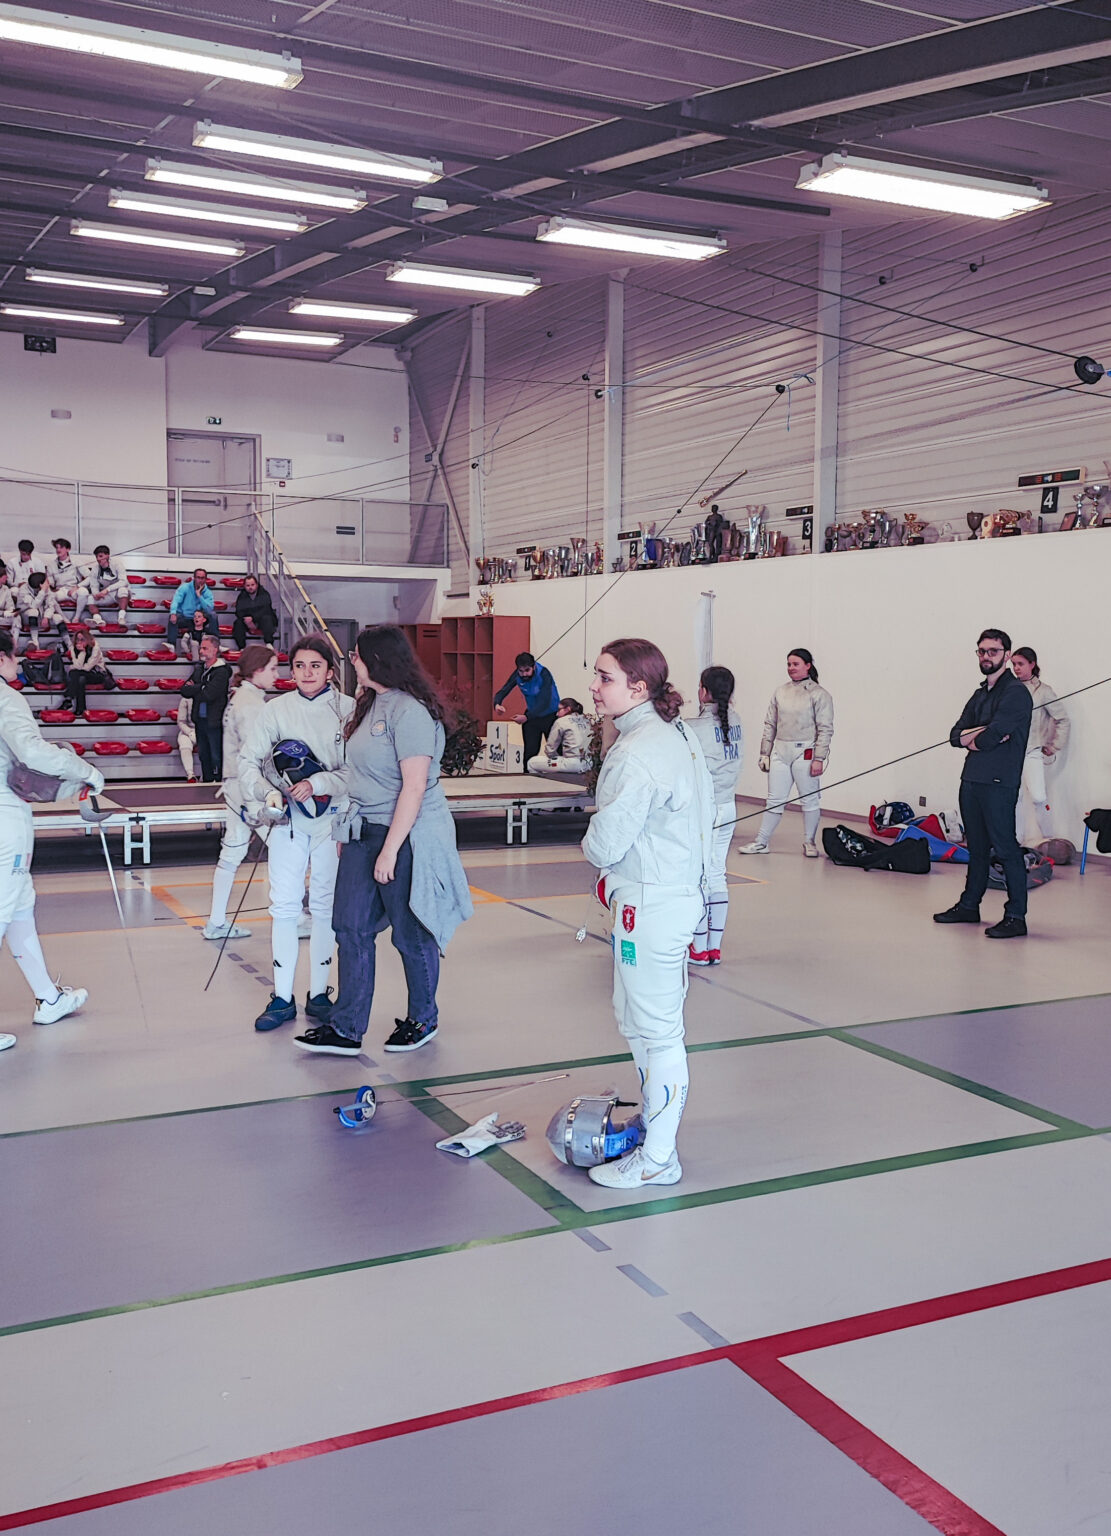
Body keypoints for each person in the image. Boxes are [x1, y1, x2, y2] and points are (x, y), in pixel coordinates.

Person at [294, 626, 473, 1056]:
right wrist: (349, 831)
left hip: (407, 834)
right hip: (364, 831)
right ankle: (347, 1026)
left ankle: (422, 1018)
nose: (352, 661)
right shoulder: (370, 702)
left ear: (378, 659)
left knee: (410, 933)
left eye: (356, 655)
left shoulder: (410, 712)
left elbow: (413, 787)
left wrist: (390, 849)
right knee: (350, 926)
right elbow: (360, 774)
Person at [581, 638, 713, 1189]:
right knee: (636, 1019)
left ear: (638, 688)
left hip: (653, 903)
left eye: (605, 678)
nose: (594, 687)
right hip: (658, 896)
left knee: (657, 1032)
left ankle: (658, 1159)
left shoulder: (639, 751)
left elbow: (605, 841)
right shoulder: (671, 733)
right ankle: (655, 1130)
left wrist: (592, 845)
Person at [238, 634, 353, 1033]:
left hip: (331, 820)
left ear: (330, 671)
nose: (307, 673)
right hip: (288, 821)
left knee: (324, 907)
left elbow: (355, 771)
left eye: (315, 666)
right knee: (284, 906)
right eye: (300, 666)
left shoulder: (348, 710)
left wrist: (318, 783)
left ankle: (319, 994)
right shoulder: (276, 710)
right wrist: (267, 792)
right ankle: (282, 998)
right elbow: (248, 761)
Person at [0, 627, 104, 1050]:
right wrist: (85, 770)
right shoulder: (6, 698)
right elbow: (32, 753)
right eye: (13, 656)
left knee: (20, 905)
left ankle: (49, 998)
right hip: (4, 820)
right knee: (4, 908)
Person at [935, 629, 1033, 939]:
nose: (986, 656)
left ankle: (1016, 916)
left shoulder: (1016, 693)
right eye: (981, 651)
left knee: (1005, 848)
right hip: (972, 779)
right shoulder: (980, 694)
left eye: (993, 651)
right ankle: (969, 906)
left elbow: (991, 737)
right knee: (976, 848)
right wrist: (980, 735)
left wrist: (978, 737)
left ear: (1007, 655)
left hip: (999, 782)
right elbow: (955, 735)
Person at [203, 644, 280, 942]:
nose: (276, 675)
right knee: (285, 849)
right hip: (248, 789)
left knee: (233, 852)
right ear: (257, 670)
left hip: (235, 786)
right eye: (272, 669)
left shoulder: (244, 698)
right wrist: (253, 802)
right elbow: (253, 758)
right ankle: (294, 917)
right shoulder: (250, 705)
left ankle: (216, 923)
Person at [741, 648, 834, 858]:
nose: (791, 668)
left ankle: (809, 842)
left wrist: (819, 758)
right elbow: (770, 724)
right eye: (789, 664)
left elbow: (825, 729)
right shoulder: (780, 692)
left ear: (808, 666)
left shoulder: (819, 694)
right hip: (780, 752)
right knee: (774, 799)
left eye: (795, 664)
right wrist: (764, 753)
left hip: (806, 752)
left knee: (809, 800)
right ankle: (761, 842)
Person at [686, 666, 743, 965]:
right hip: (728, 807)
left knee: (698, 875)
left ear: (704, 691)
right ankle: (714, 947)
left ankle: (698, 947)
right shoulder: (737, 721)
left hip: (704, 811)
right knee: (717, 873)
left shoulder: (692, 728)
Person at [1011, 646, 1071, 843]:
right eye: (1014, 664)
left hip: (1032, 751)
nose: (1016, 668)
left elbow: (1062, 719)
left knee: (1038, 797)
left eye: (1020, 664)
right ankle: (1015, 840)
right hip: (1010, 752)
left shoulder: (1044, 692)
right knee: (1013, 797)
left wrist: (1054, 745)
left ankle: (1049, 840)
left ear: (1032, 664)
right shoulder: (1009, 689)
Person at [493, 651, 560, 767]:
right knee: (530, 751)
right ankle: (527, 773)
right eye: (521, 671)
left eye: (527, 670)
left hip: (550, 715)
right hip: (532, 715)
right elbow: (504, 690)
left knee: (556, 751)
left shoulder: (544, 674)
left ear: (534, 667)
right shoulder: (517, 675)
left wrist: (526, 717)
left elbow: (545, 701)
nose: (524, 674)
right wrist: (497, 704)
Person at [178, 633, 230, 783]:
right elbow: (184, 690)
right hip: (200, 720)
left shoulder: (222, 671)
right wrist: (201, 687)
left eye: (205, 648)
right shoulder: (199, 668)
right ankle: (207, 782)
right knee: (204, 756)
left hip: (214, 721)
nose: (201, 651)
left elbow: (209, 694)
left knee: (216, 756)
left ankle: (218, 783)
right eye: (201, 648)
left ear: (215, 650)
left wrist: (196, 688)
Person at [526, 698, 591, 775]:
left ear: (567, 709)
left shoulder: (561, 721)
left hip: (571, 764)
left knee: (531, 763)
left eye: (559, 710)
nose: (556, 714)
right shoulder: (588, 720)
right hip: (589, 764)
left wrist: (556, 758)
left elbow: (550, 749)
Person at [74, 545, 129, 629]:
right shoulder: (95, 569)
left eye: (100, 556)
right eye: (96, 557)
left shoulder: (117, 564)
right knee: (90, 598)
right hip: (106, 595)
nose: (98, 559)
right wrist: (96, 594)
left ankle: (121, 618)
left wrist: (107, 590)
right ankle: (98, 620)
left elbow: (123, 581)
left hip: (118, 594)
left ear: (107, 555)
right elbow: (94, 585)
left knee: (123, 590)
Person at [62, 628, 113, 714]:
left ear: (88, 639)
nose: (79, 642)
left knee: (74, 673)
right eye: (77, 639)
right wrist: (82, 652)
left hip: (97, 674)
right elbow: (78, 665)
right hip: (82, 674)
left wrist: (73, 666)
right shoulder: (73, 648)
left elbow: (87, 667)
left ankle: (69, 698)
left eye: (82, 639)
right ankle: (81, 709)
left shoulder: (95, 647)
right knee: (80, 679)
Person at [169, 568, 219, 654]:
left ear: (205, 579)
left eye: (202, 578)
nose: (200, 580)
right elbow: (175, 601)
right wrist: (173, 613)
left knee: (213, 615)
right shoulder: (185, 587)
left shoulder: (207, 592)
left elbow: (209, 609)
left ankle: (215, 644)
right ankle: (171, 645)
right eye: (198, 577)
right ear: (194, 578)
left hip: (200, 620)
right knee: (173, 617)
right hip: (186, 618)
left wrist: (199, 596)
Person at [233, 575, 278, 651]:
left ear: (257, 584)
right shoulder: (242, 595)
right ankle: (241, 647)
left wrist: (253, 618)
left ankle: (269, 643)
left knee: (267, 618)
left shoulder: (264, 594)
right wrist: (246, 620)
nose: (250, 587)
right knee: (238, 623)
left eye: (252, 585)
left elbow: (266, 610)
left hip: (262, 620)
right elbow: (238, 611)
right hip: (247, 621)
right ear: (244, 586)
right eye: (248, 585)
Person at [176, 694, 197, 782]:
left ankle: (208, 774)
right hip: (189, 730)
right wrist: (190, 732)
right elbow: (181, 722)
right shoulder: (186, 699)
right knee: (184, 743)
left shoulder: (211, 696)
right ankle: (190, 774)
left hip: (205, 730)